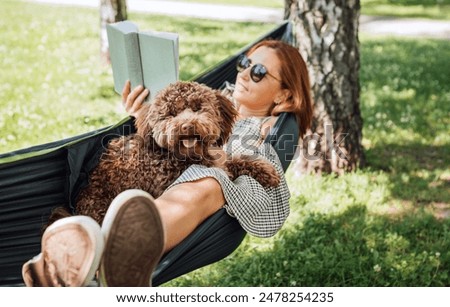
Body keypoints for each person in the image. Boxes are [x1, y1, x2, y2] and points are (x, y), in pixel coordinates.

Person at [21, 40, 313, 287]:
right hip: (134, 184)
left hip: (193, 187)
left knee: (210, 181)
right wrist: (141, 114)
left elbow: (259, 180)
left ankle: (101, 258)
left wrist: (222, 158)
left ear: (284, 94)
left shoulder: (266, 129)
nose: (245, 74)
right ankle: (72, 264)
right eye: (244, 63)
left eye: (259, 71)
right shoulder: (212, 94)